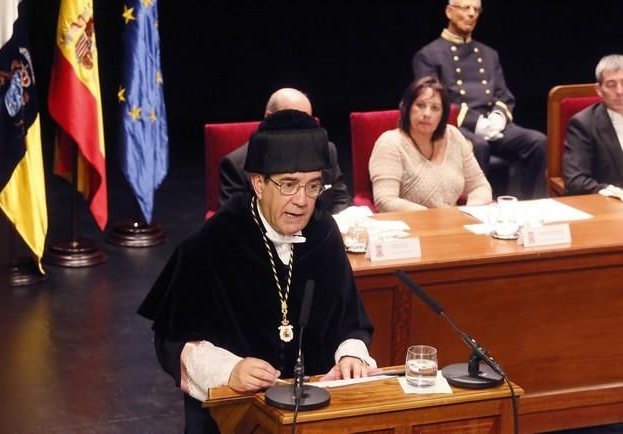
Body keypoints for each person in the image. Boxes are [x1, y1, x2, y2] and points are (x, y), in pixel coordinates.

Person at [139, 109, 376, 434]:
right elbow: (171, 341)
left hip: (313, 412)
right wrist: (230, 369)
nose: (302, 201)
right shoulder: (214, 241)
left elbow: (350, 321)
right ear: (259, 184)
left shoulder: (324, 233)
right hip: (234, 415)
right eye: (289, 185)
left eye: (312, 186)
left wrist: (351, 354)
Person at [412, 0, 546, 199]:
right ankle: (477, 210)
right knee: (479, 146)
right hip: (455, 125)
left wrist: (498, 117)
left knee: (537, 142)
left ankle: (526, 204)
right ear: (449, 11)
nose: (472, 14)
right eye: (466, 8)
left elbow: (503, 94)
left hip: (492, 123)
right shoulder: (428, 55)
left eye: (476, 9)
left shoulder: (489, 54)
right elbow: (431, 101)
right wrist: (477, 123)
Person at [220, 88, 353, 214]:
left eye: (307, 123)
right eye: (294, 122)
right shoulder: (237, 165)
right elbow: (234, 222)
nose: (302, 132)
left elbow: (341, 200)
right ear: (269, 118)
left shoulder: (326, 151)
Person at [369, 76, 492, 212]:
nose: (427, 114)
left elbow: (480, 186)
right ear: (407, 108)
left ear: (443, 115)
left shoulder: (453, 136)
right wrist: (432, 218)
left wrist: (470, 212)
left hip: (454, 224)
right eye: (420, 105)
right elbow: (385, 201)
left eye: (435, 108)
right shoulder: (389, 143)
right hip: (410, 228)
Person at [563, 54, 623, 195]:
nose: (620, 91)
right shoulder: (582, 124)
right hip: (609, 207)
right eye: (611, 85)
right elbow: (575, 181)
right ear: (599, 90)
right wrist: (614, 193)